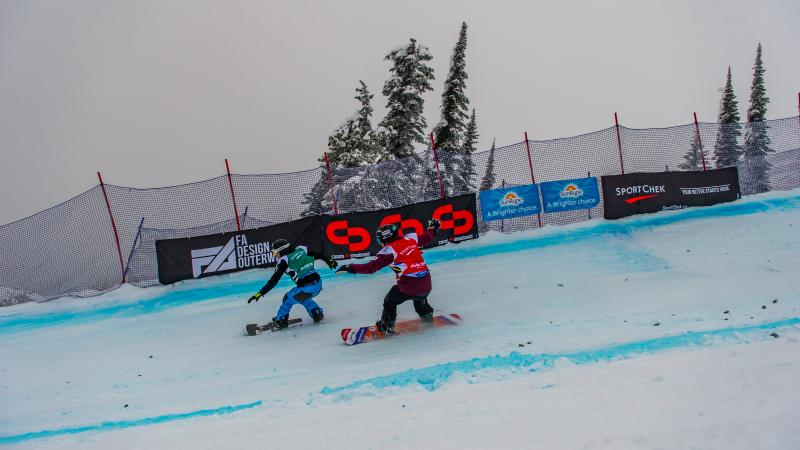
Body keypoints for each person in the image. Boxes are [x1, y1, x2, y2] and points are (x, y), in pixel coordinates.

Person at [336, 218, 440, 334]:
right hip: (426, 283)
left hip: (409, 286)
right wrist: (432, 228)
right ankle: (426, 316)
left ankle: (386, 326)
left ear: (384, 238)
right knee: (420, 295)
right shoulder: (410, 239)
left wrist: (350, 268)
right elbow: (427, 237)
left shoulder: (389, 251)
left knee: (390, 300)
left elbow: (370, 268)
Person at [247, 238, 337, 329]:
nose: (275, 255)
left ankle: (280, 321)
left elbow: (274, 280)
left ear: (281, 251)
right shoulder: (301, 251)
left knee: (287, 299)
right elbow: (318, 255)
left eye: (275, 252)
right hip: (318, 284)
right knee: (300, 297)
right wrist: (329, 261)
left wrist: (260, 293)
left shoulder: (284, 261)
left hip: (307, 288)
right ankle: (316, 312)